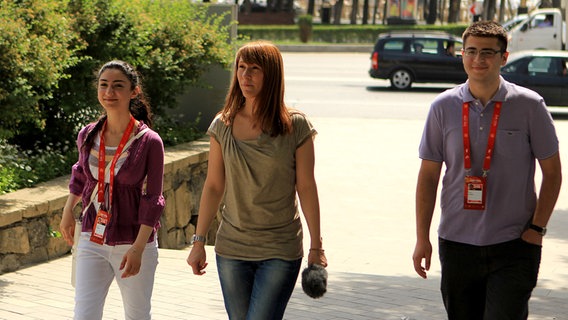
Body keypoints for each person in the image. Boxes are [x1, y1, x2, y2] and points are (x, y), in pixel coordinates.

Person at [412, 21, 562, 320]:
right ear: (462, 54)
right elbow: (428, 178)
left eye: (488, 53)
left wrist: (537, 229)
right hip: (456, 243)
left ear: (504, 57)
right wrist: (422, 238)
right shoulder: (443, 107)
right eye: (471, 51)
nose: (478, 59)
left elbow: (553, 173)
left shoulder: (530, 105)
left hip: (515, 244)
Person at [186, 40, 328, 320]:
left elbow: (307, 187)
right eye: (241, 67)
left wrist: (316, 247)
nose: (245, 75)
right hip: (231, 248)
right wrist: (199, 241)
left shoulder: (296, 125)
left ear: (271, 74)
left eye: (254, 69)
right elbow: (214, 186)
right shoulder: (222, 125)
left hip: (280, 247)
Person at [59, 60, 165, 320]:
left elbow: (154, 199)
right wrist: (67, 212)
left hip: (133, 241)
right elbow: (81, 173)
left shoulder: (149, 141)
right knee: (84, 314)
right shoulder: (88, 134)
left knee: (137, 315)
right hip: (92, 238)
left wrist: (139, 249)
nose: (109, 92)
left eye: (118, 86)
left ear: (134, 91)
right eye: (104, 85)